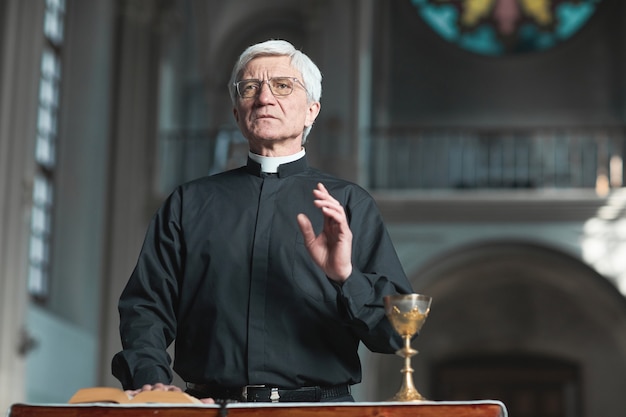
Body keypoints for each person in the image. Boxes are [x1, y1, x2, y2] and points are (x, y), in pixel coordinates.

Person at [111, 39, 414, 403]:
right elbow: (146, 307)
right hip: (211, 409)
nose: (264, 98)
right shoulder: (187, 203)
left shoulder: (347, 203)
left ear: (311, 111)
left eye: (283, 86)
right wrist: (151, 382)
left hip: (319, 413)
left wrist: (347, 277)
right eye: (250, 88)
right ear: (238, 113)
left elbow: (396, 335)